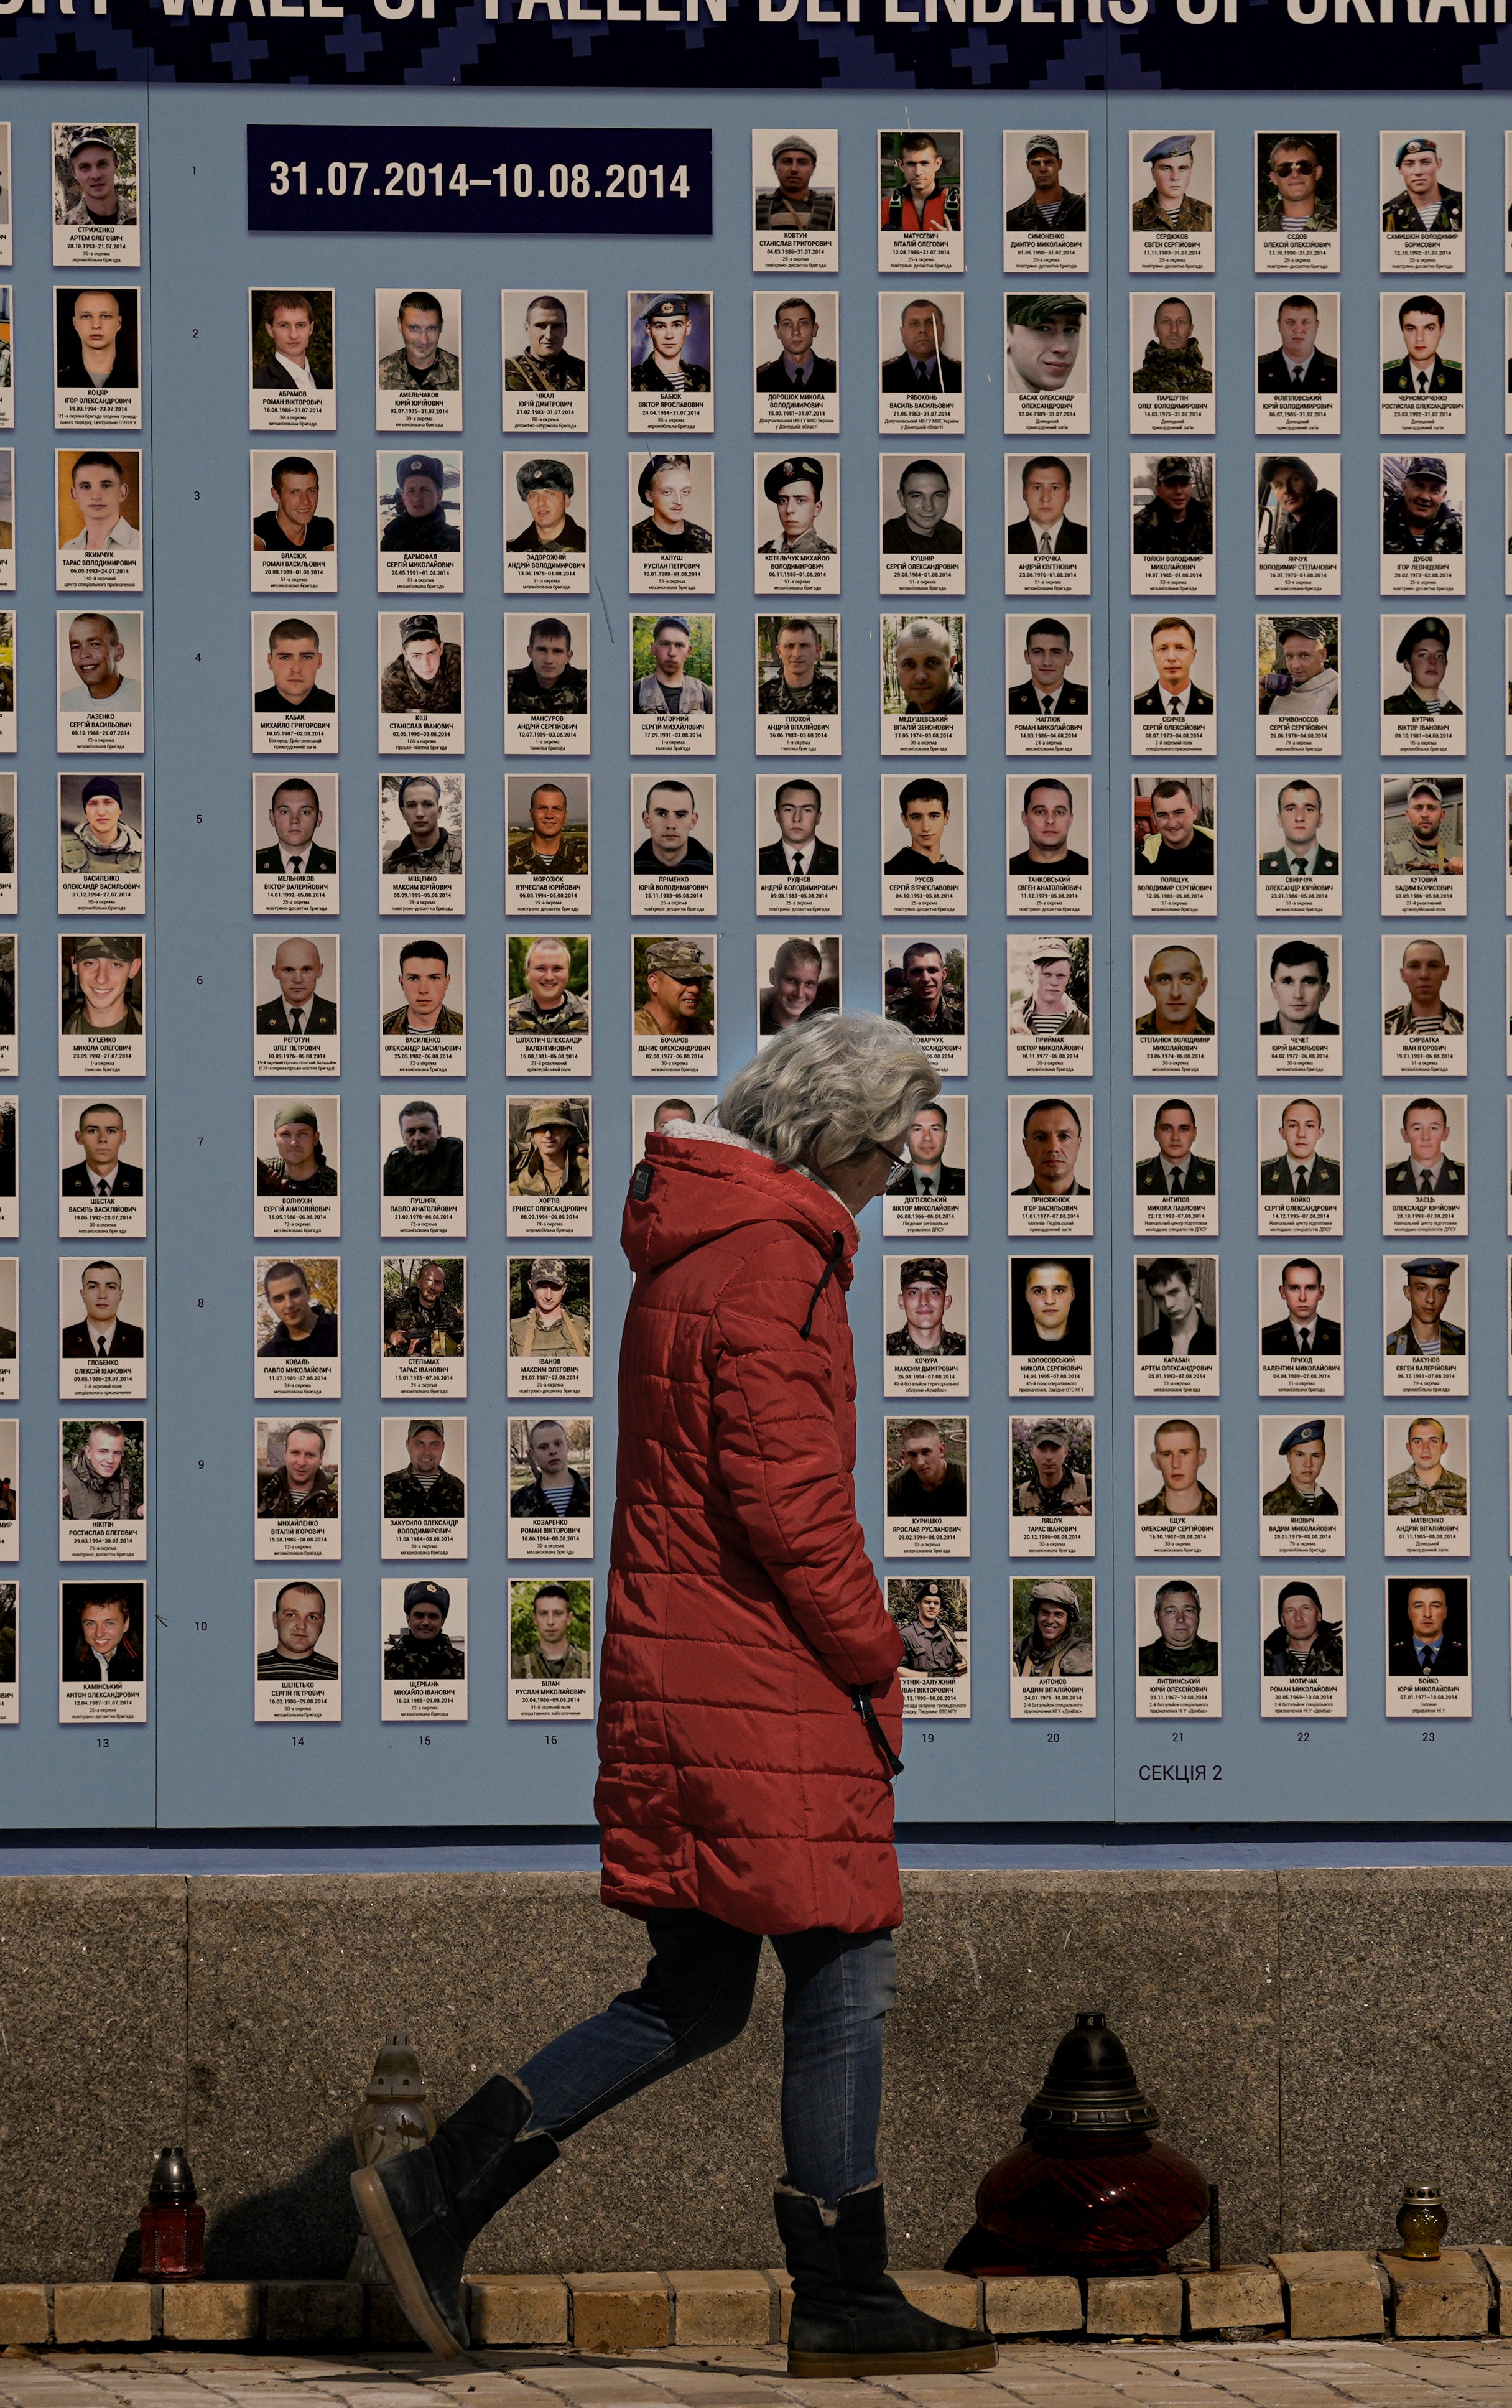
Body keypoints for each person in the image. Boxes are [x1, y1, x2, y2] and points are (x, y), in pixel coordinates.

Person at [354, 1013, 988, 2375]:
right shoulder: (777, 1262)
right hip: (764, 1679)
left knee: (695, 1991)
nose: (895, 1176)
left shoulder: (702, 1246)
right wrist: (878, 1653)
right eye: (891, 1151)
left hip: (691, 1668)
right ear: (835, 1143)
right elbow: (788, 1500)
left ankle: (434, 2194)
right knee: (845, 1968)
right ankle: (842, 2290)